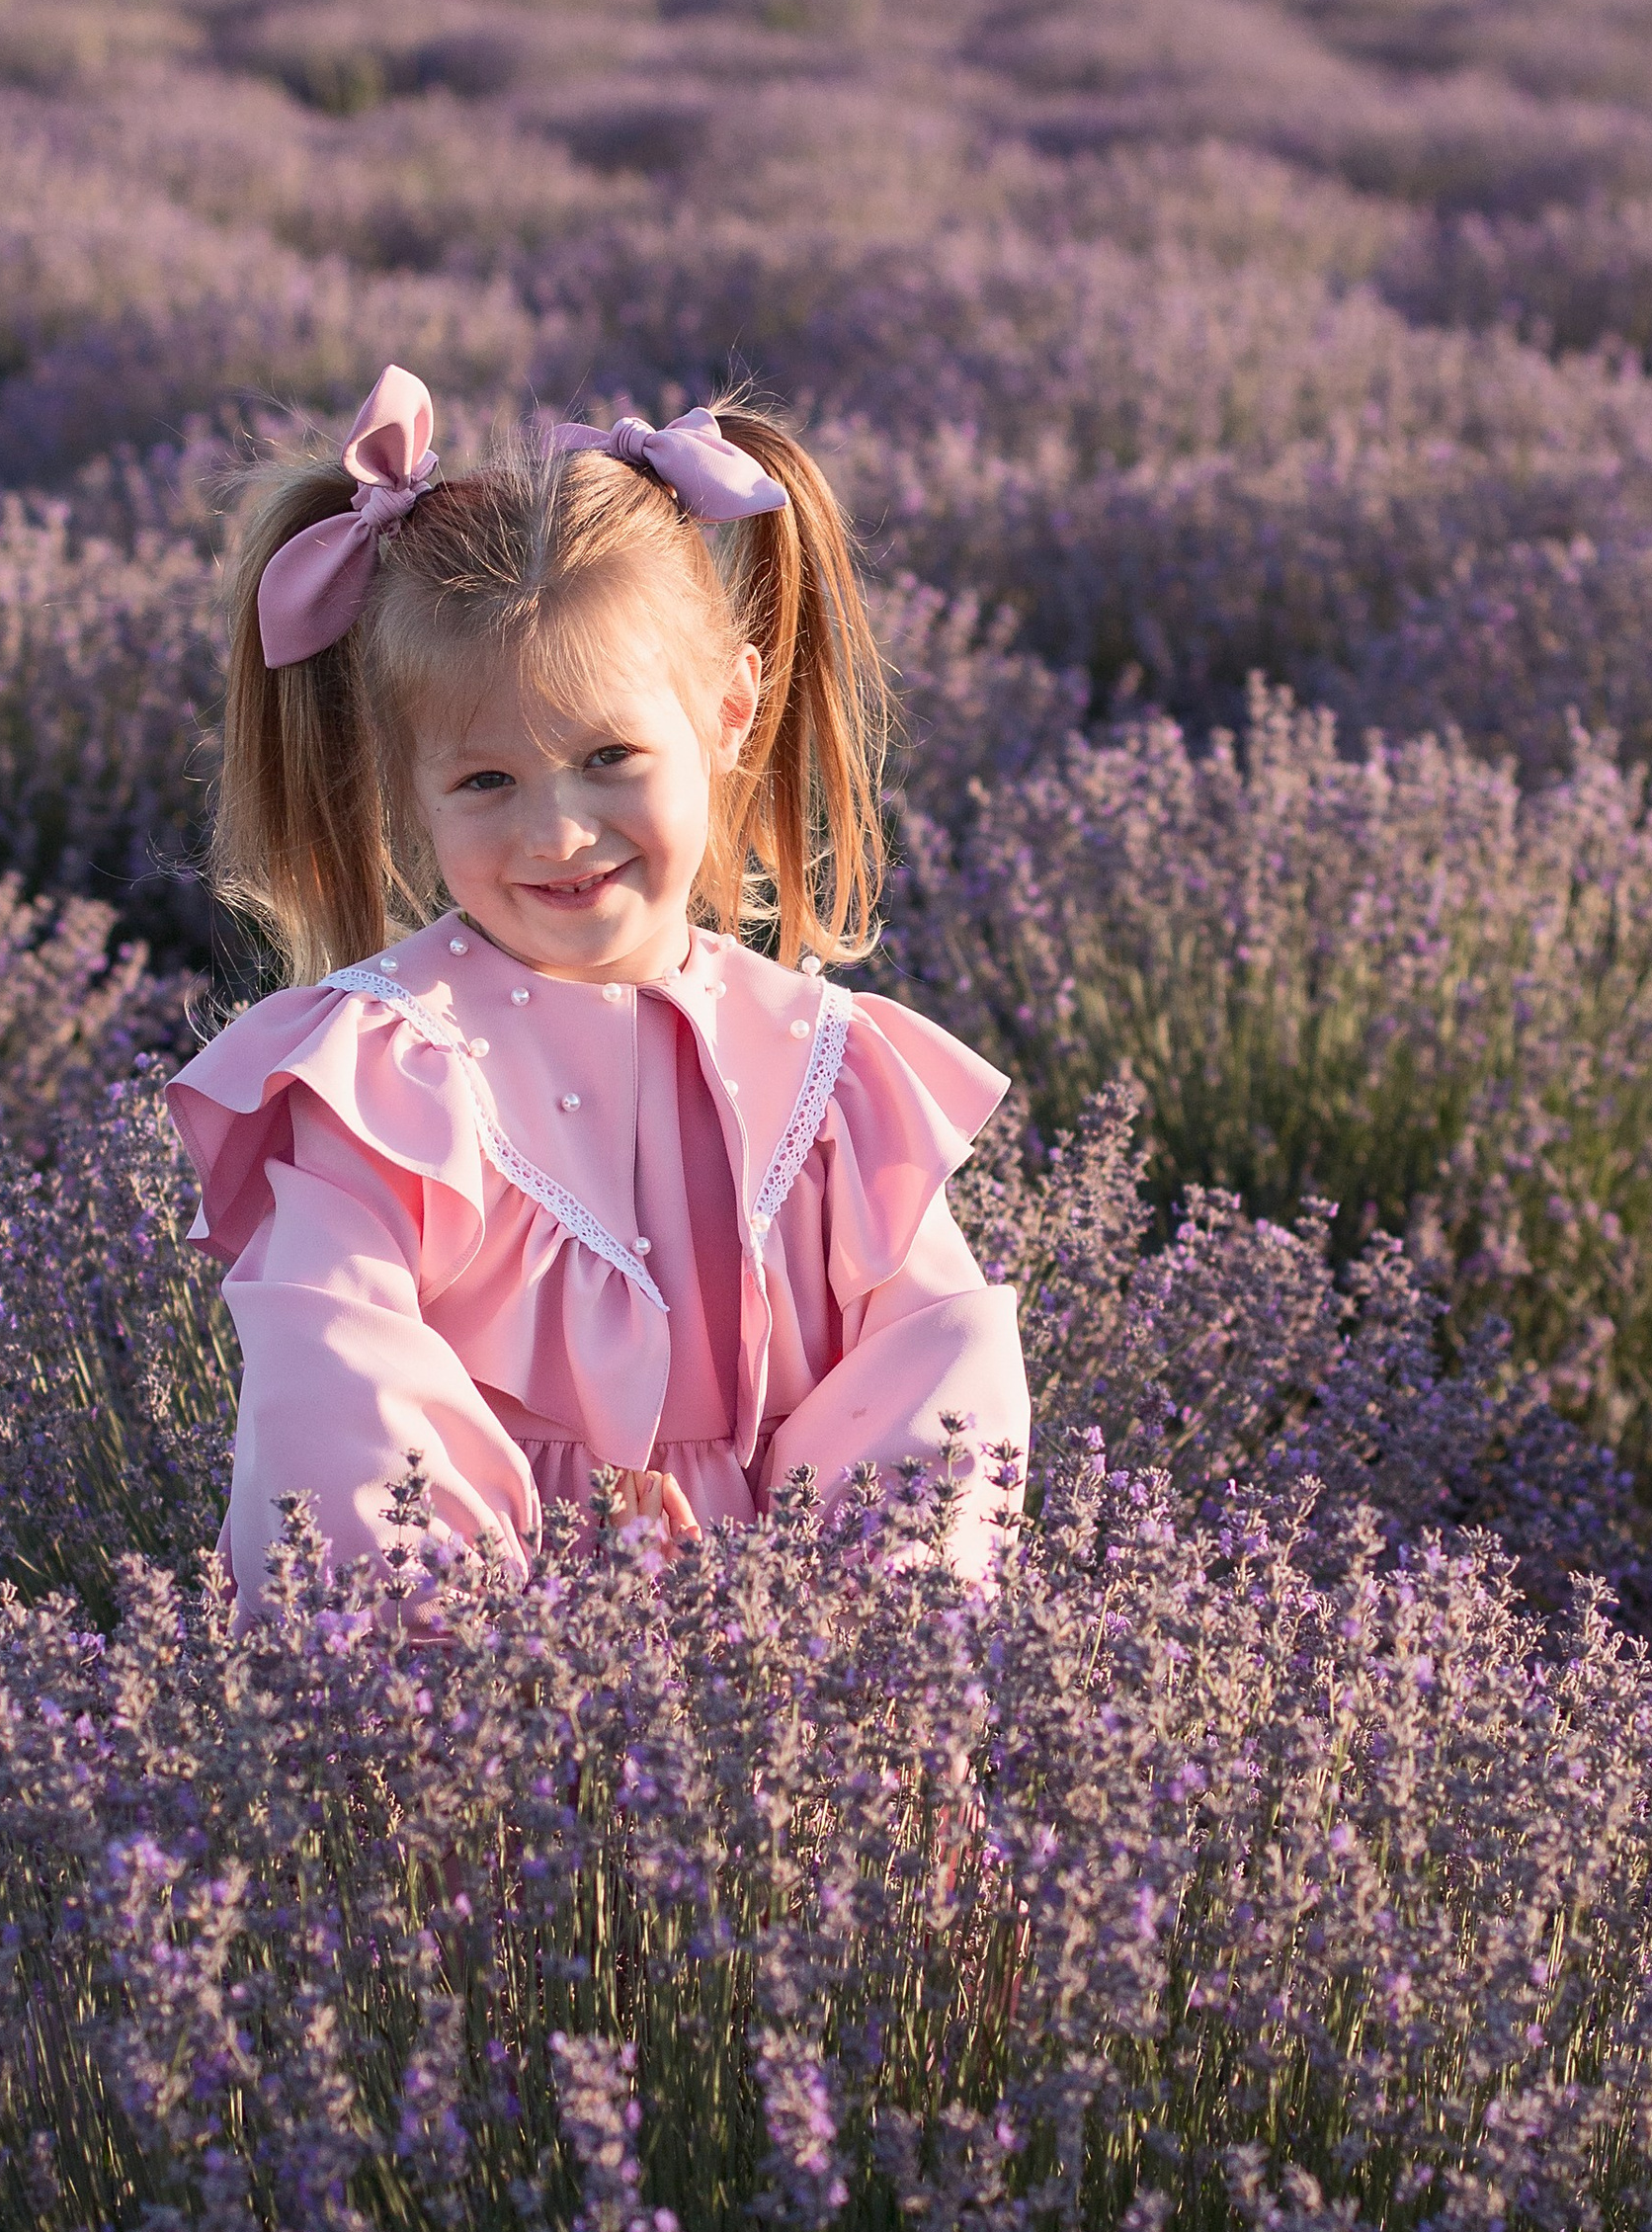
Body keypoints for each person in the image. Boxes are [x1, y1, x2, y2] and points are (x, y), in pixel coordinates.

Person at [167, 364, 1029, 1605]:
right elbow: (338, 1403)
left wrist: (837, 1633)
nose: (558, 833)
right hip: (491, 1694)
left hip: (803, 1693)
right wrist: (496, 1662)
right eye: (484, 784)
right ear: (401, 784)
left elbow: (934, 1383)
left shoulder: (826, 1068)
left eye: (609, 757)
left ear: (730, 711)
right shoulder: (392, 1077)